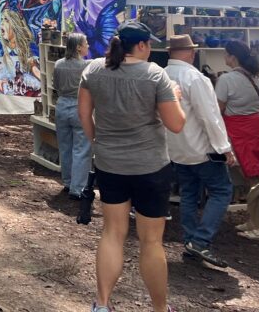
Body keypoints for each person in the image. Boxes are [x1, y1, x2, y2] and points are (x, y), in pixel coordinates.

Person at [78, 20, 185, 312]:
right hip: (151, 167)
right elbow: (176, 124)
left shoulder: (93, 70)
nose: (151, 51)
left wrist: (98, 142)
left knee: (113, 233)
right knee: (151, 241)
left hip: (110, 164)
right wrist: (175, 96)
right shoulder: (155, 76)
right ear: (141, 45)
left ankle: (102, 305)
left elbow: (85, 115)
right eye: (150, 45)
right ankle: (160, 309)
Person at [165, 34, 236, 268]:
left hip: (176, 147)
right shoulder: (194, 77)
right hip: (201, 148)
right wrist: (224, 148)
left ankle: (191, 240)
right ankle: (201, 240)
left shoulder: (162, 75)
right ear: (190, 53)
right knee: (221, 191)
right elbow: (210, 116)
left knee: (188, 194)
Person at [216, 40, 259, 181]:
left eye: (226, 55)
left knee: (247, 173)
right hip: (257, 129)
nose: (224, 57)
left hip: (238, 132)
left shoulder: (225, 79)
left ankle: (255, 200)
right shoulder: (256, 77)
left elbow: (218, 109)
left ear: (233, 57)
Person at [54, 32, 91, 201]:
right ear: (78, 47)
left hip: (61, 106)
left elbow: (56, 85)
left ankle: (68, 182)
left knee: (65, 146)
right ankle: (77, 188)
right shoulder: (86, 66)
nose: (88, 46)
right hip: (79, 106)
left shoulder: (58, 64)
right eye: (86, 43)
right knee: (81, 149)